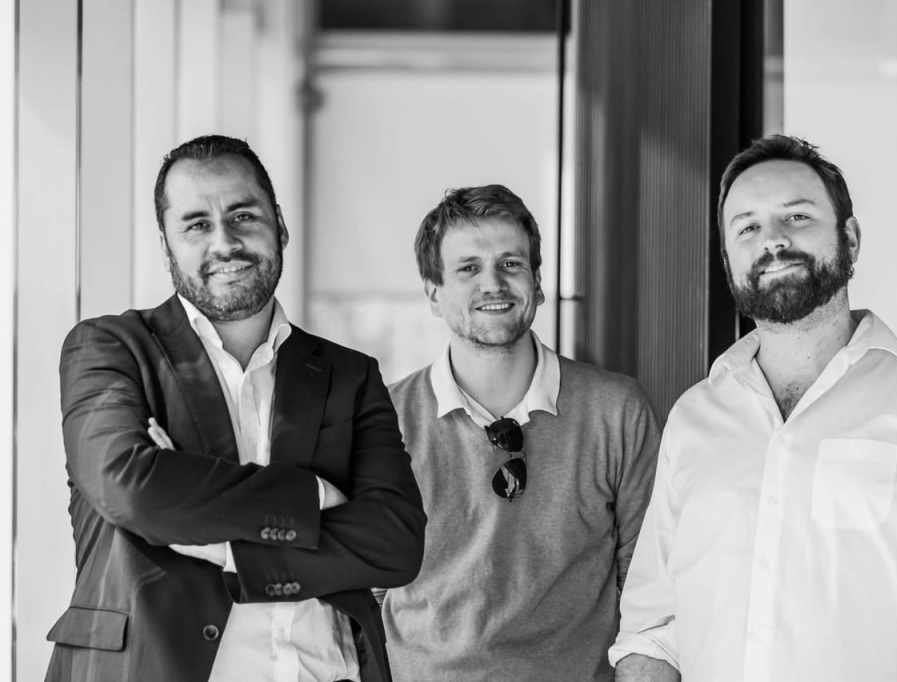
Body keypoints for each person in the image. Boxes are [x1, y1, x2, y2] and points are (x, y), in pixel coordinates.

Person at [610, 134, 897, 682]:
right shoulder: (693, 417)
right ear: (728, 260)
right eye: (747, 227)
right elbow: (654, 629)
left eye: (797, 217)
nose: (773, 240)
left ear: (850, 237)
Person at [46, 134, 425, 682]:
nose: (224, 242)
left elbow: (395, 543)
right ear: (167, 245)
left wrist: (224, 544)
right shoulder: (110, 349)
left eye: (243, 216)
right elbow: (131, 487)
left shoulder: (349, 374)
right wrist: (312, 497)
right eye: (197, 224)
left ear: (280, 226)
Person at [382, 185, 661, 681]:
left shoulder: (617, 410)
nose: (492, 283)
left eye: (510, 264)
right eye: (468, 268)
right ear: (434, 294)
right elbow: (366, 591)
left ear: (537, 282)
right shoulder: (385, 419)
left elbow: (650, 587)